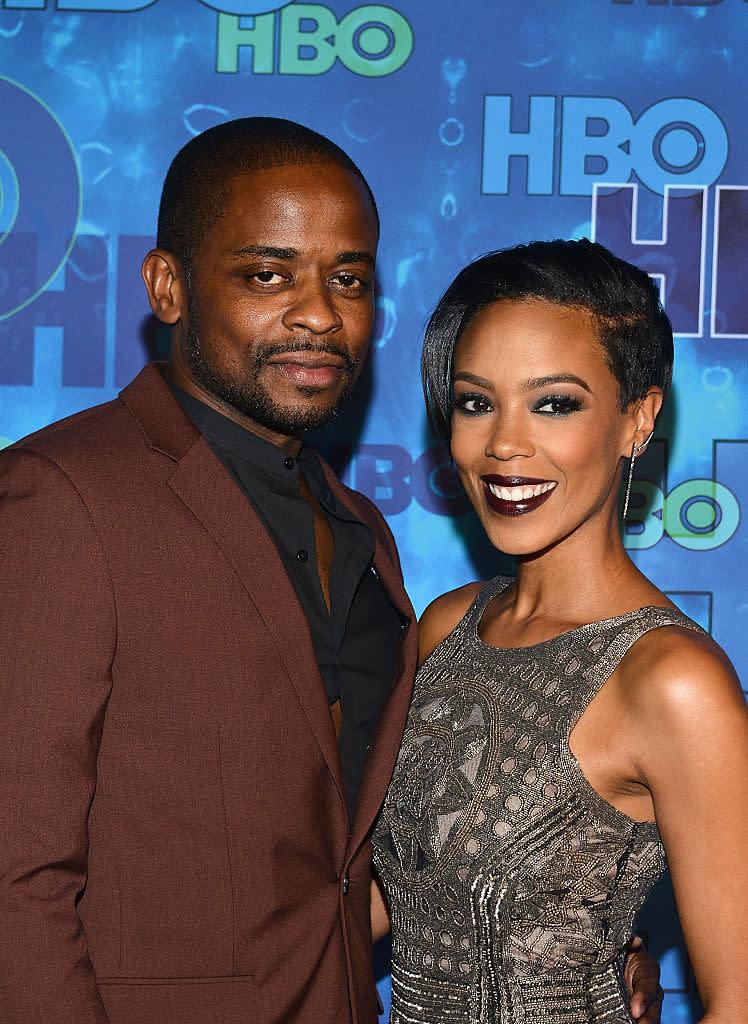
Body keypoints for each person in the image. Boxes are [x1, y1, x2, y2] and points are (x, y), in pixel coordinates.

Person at [0, 120, 663, 1024]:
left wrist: (570, 946)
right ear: (168, 286)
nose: (318, 312)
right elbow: (15, 881)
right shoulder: (63, 498)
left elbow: (348, 860)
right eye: (268, 275)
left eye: (347, 278)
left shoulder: (362, 531)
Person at [371, 239, 748, 1023]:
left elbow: (737, 1001)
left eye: (554, 403)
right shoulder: (447, 626)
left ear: (637, 419)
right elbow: (387, 897)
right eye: (476, 402)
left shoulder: (671, 680)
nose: (505, 443)